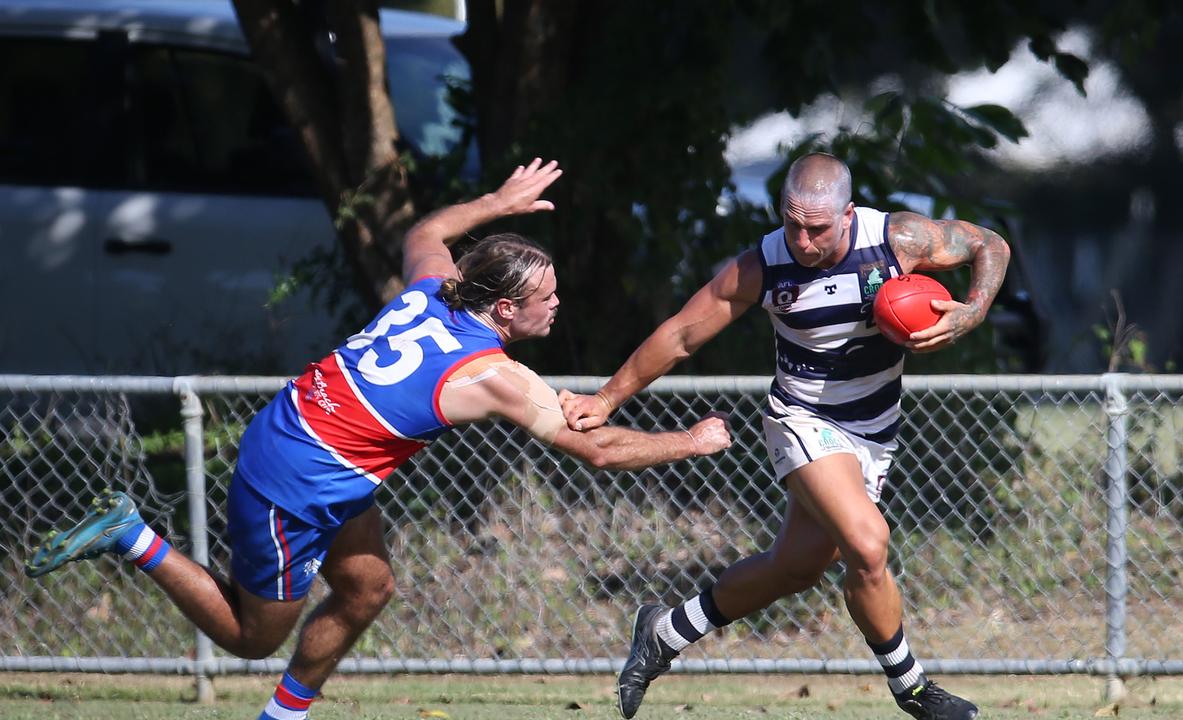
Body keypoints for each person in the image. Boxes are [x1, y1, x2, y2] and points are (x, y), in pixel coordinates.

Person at [25, 159, 733, 720]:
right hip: (295, 481)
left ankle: (283, 717)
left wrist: (495, 203)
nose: (558, 305)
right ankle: (131, 535)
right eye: (548, 298)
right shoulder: (493, 373)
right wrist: (692, 441)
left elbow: (423, 233)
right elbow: (599, 450)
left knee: (367, 587)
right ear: (508, 308)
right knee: (252, 637)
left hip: (319, 448)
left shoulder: (435, 288)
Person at [561, 152, 1010, 720]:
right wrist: (605, 399)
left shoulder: (899, 238)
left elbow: (989, 244)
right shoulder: (763, 266)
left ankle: (664, 632)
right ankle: (914, 690)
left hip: (874, 429)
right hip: (802, 419)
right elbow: (679, 336)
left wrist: (971, 311)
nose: (803, 238)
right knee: (868, 544)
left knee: (795, 567)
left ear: (847, 213)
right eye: (792, 222)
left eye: (817, 227)